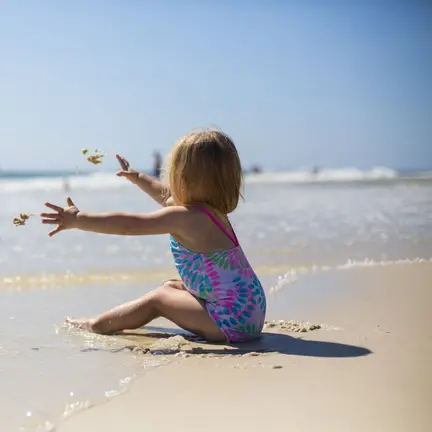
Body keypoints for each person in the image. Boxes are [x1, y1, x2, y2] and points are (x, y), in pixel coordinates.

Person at [40, 129, 267, 343]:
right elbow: (165, 197)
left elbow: (129, 225)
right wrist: (138, 177)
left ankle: (97, 325)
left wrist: (79, 219)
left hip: (231, 322)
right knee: (172, 286)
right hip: (249, 310)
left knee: (158, 299)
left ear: (183, 179)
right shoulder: (211, 213)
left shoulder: (187, 218)